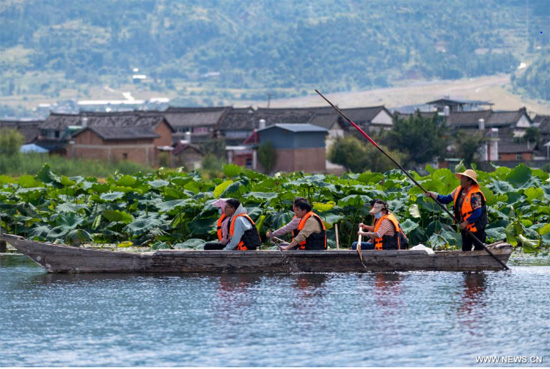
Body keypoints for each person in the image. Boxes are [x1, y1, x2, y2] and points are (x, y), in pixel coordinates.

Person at [425, 169, 487, 251]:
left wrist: (466, 222)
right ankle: (467, 263)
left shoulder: (475, 194)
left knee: (479, 249)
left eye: (464, 179)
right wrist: (434, 195)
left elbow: (477, 212)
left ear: (469, 181)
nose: (461, 180)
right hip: (465, 227)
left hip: (476, 227)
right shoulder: (458, 190)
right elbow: (446, 199)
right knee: (466, 249)